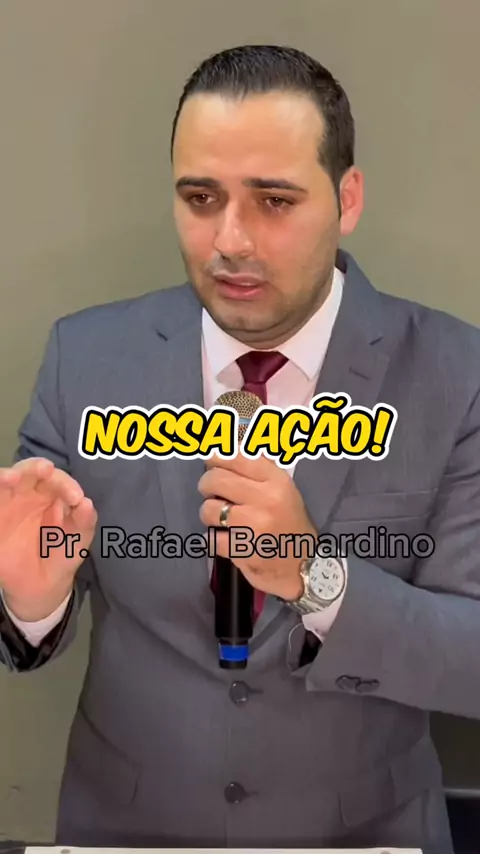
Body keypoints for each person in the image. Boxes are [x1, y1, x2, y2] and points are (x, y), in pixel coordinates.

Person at [0, 43, 479, 854]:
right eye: (201, 197)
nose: (230, 240)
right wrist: (31, 599)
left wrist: (314, 575)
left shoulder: (456, 374)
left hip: (364, 834)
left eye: (274, 201)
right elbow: (29, 611)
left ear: (347, 199)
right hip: (128, 829)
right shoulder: (85, 359)